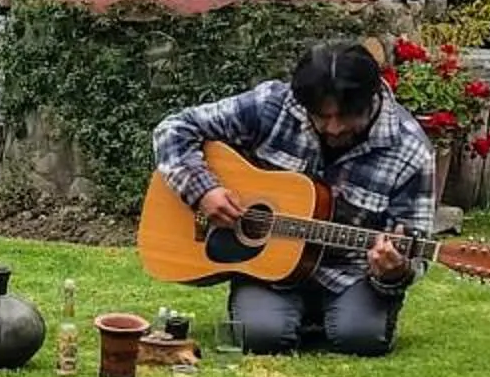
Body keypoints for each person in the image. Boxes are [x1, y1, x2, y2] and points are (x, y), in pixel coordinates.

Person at [151, 39, 433, 357]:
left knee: (360, 340)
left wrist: (394, 270)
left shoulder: (411, 149)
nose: (334, 127)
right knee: (260, 338)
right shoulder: (274, 104)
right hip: (271, 272)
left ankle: (329, 315)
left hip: (352, 273)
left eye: (346, 116)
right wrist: (202, 190)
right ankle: (287, 312)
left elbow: (415, 247)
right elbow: (173, 128)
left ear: (370, 99)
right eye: (322, 117)